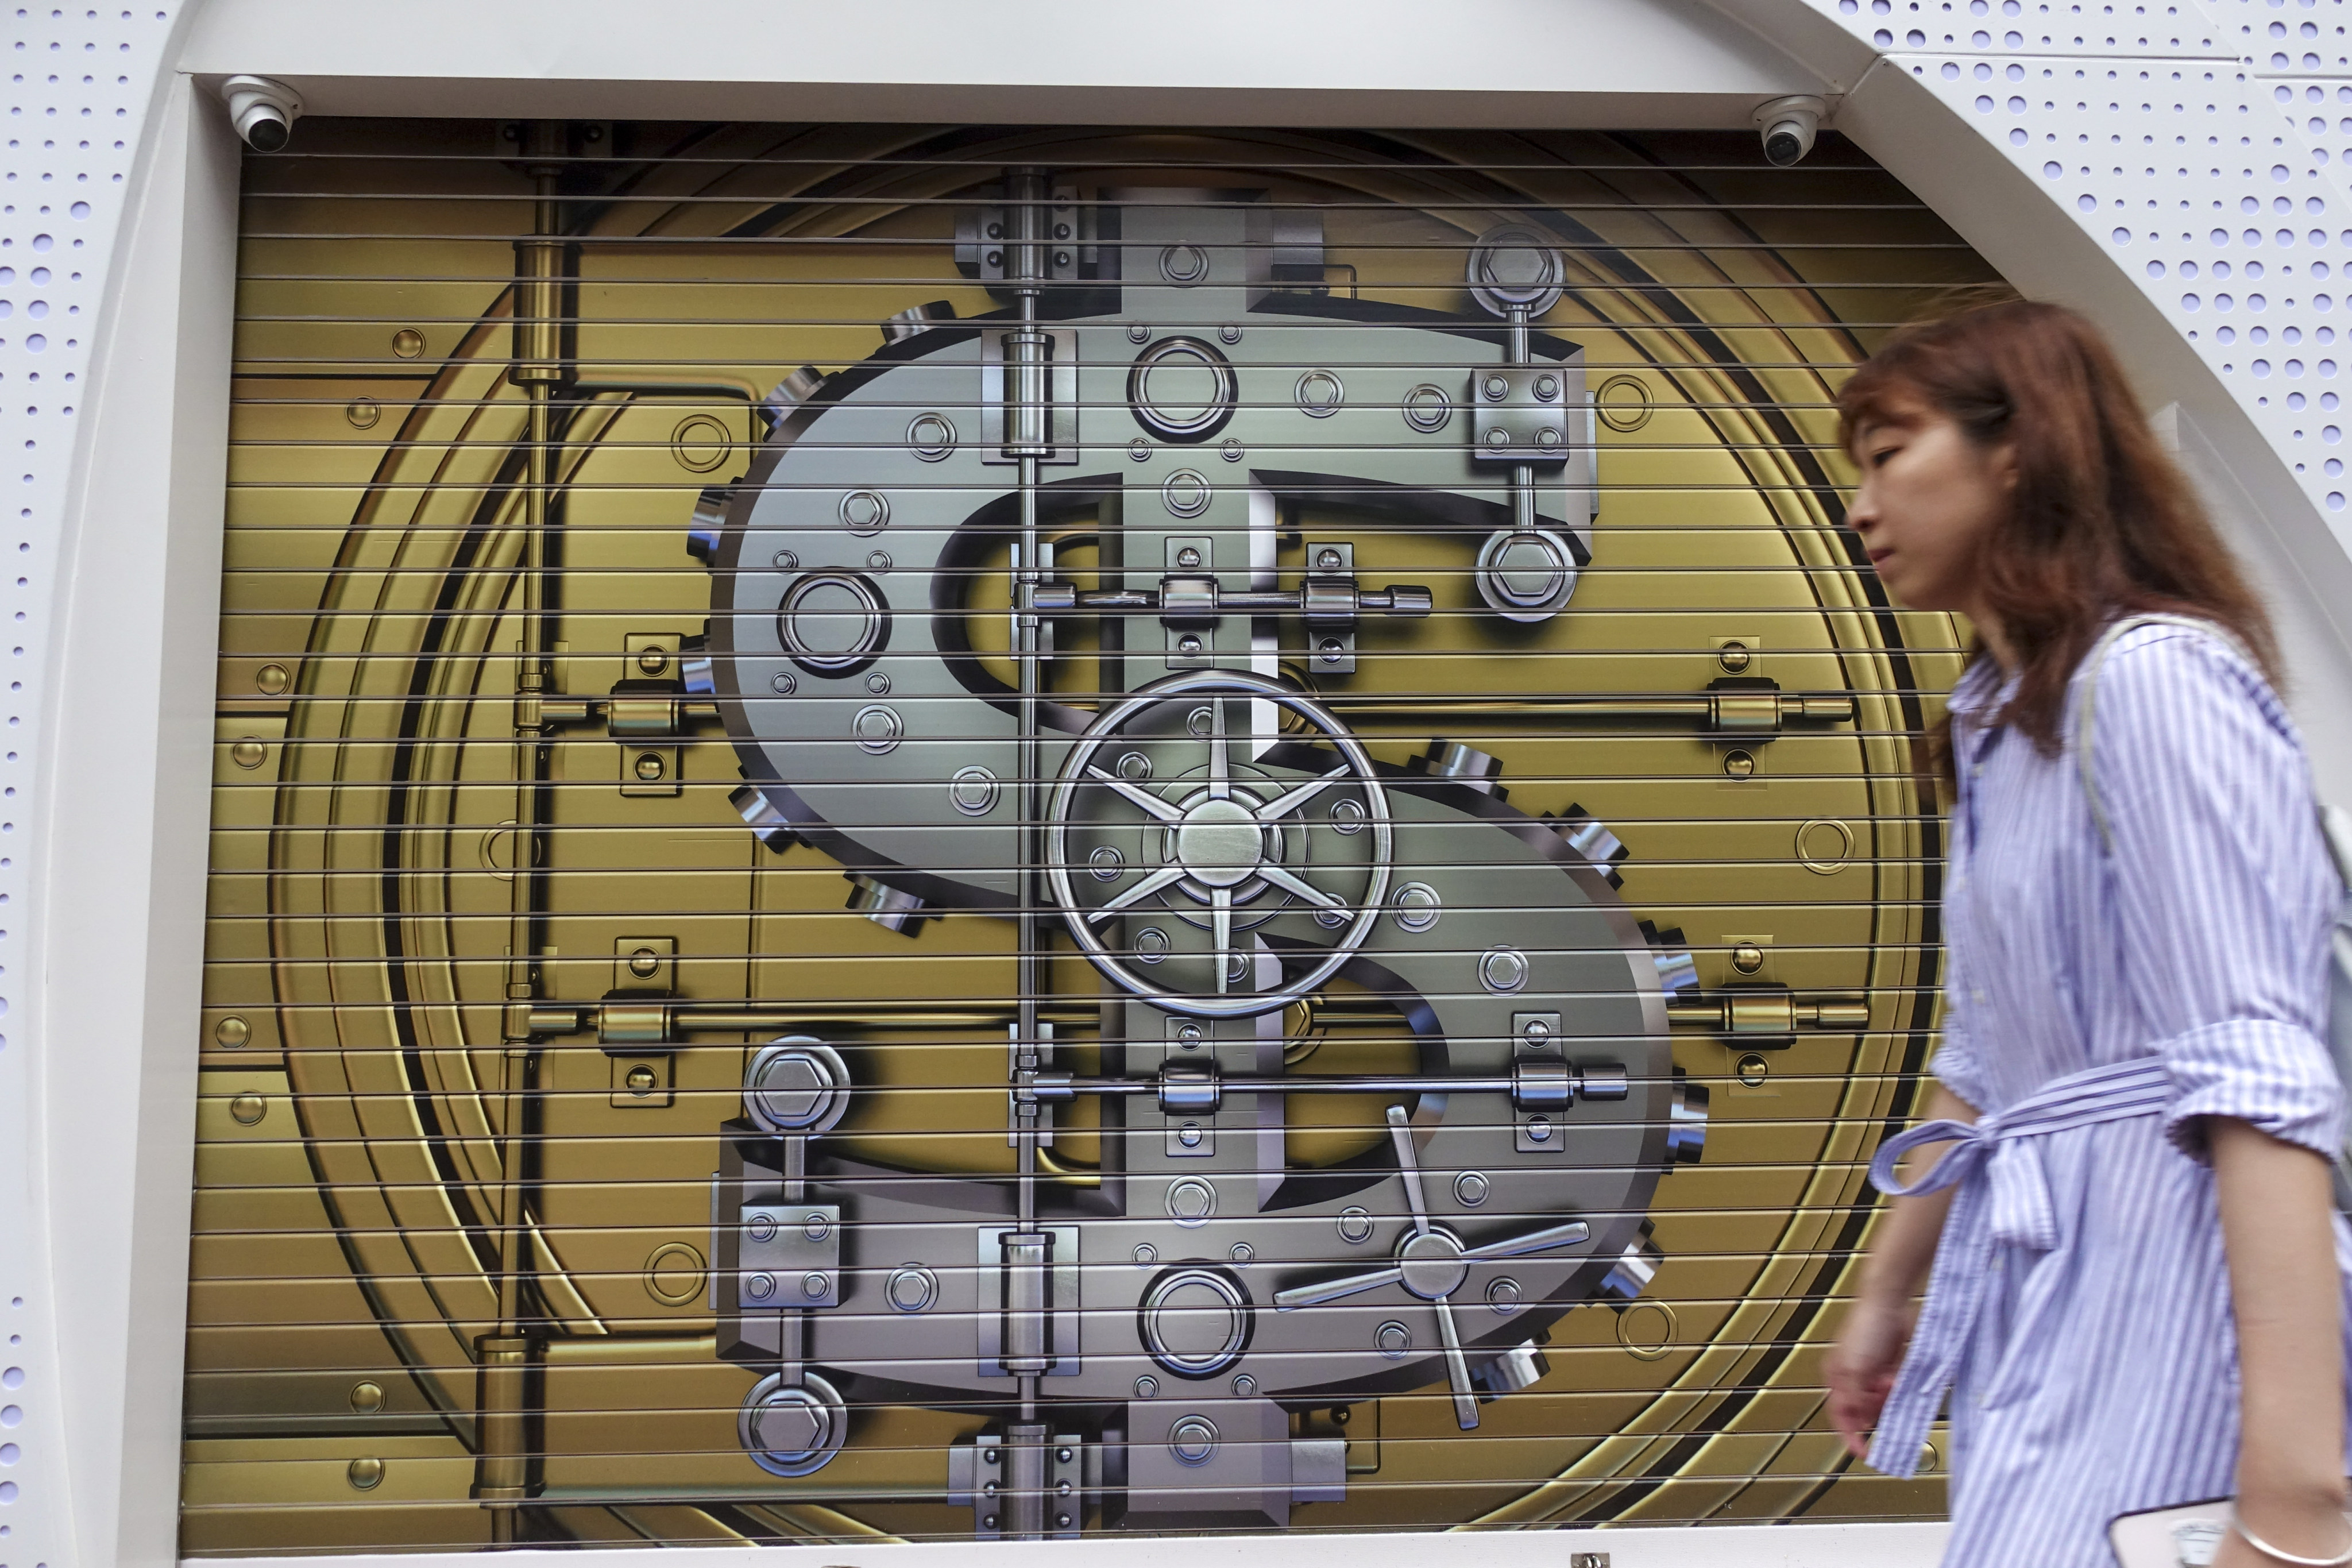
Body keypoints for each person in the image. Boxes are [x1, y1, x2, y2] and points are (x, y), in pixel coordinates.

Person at [1820, 299, 2352, 1567]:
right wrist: (1885, 1298)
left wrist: (2293, 1499)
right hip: (2052, 1283)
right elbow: (1986, 1056)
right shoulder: (2002, 724)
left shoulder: (2153, 681)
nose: (1858, 506)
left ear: (2016, 448)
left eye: (1888, 452)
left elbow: (2257, 1072)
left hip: (2176, 1285)